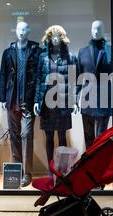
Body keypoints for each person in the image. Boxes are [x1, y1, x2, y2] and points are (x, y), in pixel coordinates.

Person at [0, 21, 42, 187]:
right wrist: (2, 97)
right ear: (15, 31)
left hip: (28, 102)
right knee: (15, 136)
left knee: (26, 135)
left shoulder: (36, 51)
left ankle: (27, 173)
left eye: (25, 29)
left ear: (29, 30)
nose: (22, 32)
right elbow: (3, 75)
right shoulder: (8, 52)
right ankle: (17, 170)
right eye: (19, 29)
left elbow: (39, 77)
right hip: (12, 101)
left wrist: (38, 100)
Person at [34, 25, 79, 173]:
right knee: (48, 137)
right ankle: (50, 168)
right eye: (51, 35)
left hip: (63, 103)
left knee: (62, 137)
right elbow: (38, 80)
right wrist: (36, 101)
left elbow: (73, 81)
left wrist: (75, 100)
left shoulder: (70, 57)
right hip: (47, 104)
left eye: (57, 35)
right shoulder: (42, 57)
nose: (54, 38)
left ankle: (63, 169)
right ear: (48, 37)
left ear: (62, 37)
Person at [77, 20, 112, 149]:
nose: (96, 31)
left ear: (104, 31)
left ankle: (99, 168)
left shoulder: (110, 51)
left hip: (104, 99)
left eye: (99, 29)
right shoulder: (82, 52)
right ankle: (90, 167)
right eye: (94, 29)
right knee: (88, 136)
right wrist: (76, 97)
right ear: (90, 30)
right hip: (87, 100)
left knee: (102, 138)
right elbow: (78, 77)